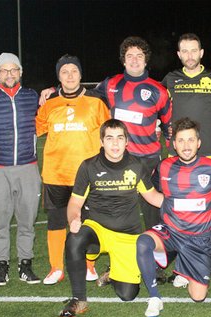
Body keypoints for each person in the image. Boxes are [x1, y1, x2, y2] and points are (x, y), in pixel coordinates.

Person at [42, 37, 171, 231]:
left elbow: (170, 126)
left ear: (146, 60)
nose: (134, 60)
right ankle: (117, 256)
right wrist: (55, 89)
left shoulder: (159, 91)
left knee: (152, 213)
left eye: (139, 55)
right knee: (116, 212)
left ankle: (155, 255)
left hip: (147, 160)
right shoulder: (111, 85)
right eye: (129, 56)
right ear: (123, 60)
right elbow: (82, 94)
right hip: (116, 160)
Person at [58, 119, 163, 317]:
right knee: (75, 238)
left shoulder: (136, 166)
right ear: (102, 142)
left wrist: (182, 203)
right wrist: (73, 218)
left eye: (119, 138)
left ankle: (113, 271)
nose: (115, 144)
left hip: (128, 235)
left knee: (128, 294)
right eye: (110, 138)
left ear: (127, 142)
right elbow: (75, 202)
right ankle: (78, 298)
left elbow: (153, 197)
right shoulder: (89, 166)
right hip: (98, 229)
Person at [135, 117, 211, 317]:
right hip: (170, 231)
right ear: (173, 144)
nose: (186, 145)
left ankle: (184, 267)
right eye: (181, 140)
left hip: (199, 239)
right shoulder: (164, 167)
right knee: (143, 242)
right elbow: (153, 192)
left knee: (198, 296)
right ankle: (155, 297)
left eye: (191, 140)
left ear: (199, 143)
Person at [36, 54, 111, 285]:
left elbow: (107, 134)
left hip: (86, 174)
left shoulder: (96, 102)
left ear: (81, 74)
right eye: (64, 72)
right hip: (55, 173)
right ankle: (56, 268)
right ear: (58, 76)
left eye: (74, 71)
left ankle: (89, 265)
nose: (70, 76)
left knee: (89, 221)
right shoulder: (48, 104)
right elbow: (38, 130)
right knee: (57, 221)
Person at [161, 33, 211, 282]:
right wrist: (165, 125)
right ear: (179, 55)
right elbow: (159, 109)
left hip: (209, 152)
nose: (189, 55)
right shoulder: (170, 80)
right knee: (178, 209)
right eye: (184, 51)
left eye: (194, 50)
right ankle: (183, 262)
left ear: (201, 53)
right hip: (177, 154)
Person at [0, 53, 42, 287]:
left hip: (27, 167)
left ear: (20, 72)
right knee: (0, 221)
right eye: (4, 70)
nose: (9, 74)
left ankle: (26, 265)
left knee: (27, 220)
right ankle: (1, 266)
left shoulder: (31, 97)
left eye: (14, 70)